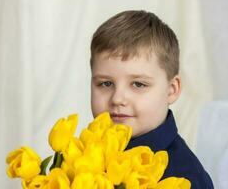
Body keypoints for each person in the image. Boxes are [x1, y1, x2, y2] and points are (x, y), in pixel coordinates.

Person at [89, 10, 214, 189]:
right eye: (106, 83)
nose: (117, 98)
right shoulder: (83, 154)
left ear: (172, 90)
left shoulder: (185, 179)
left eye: (138, 84)